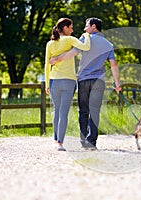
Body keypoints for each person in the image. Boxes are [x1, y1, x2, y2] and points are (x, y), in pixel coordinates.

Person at [50, 17, 121, 150]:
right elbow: (113, 65)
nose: (84, 29)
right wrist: (118, 84)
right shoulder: (108, 44)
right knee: (94, 111)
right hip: (99, 81)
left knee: (83, 111)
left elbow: (72, 53)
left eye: (86, 26)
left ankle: (83, 141)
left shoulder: (85, 39)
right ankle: (91, 142)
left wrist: (56, 59)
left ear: (93, 26)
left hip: (83, 80)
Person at [45, 18, 91, 151]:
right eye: (70, 27)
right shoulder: (70, 40)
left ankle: (55, 140)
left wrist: (47, 83)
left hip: (54, 81)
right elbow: (86, 47)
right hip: (69, 81)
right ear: (65, 28)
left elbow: (47, 64)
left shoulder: (50, 44)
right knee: (63, 113)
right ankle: (60, 143)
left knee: (57, 111)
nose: (72, 30)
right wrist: (86, 35)